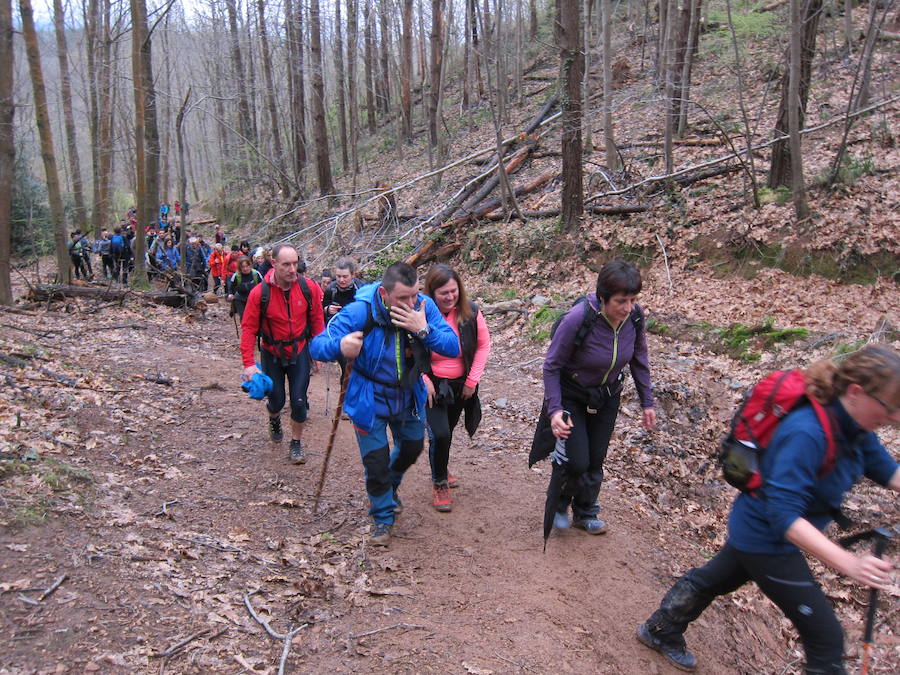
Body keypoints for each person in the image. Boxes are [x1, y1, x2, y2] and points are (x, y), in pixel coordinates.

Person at [636, 345, 900, 673]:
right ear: (857, 392)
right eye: (890, 408)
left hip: (759, 527)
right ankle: (661, 628)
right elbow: (784, 517)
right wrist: (848, 562)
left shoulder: (856, 429)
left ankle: (660, 629)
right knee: (827, 639)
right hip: (769, 540)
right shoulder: (808, 432)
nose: (895, 418)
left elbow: (889, 472)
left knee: (716, 578)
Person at [310, 262, 459, 546]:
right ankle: (383, 517)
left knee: (413, 446)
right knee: (376, 462)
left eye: (415, 295)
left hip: (407, 395)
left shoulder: (424, 308)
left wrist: (424, 329)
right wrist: (340, 347)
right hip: (368, 398)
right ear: (384, 293)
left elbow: (452, 347)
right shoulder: (360, 311)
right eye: (403, 298)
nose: (412, 303)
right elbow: (317, 344)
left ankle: (388, 487)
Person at [535, 259, 656, 535]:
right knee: (576, 461)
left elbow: (639, 359)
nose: (627, 308)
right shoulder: (578, 319)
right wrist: (554, 410)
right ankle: (560, 503)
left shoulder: (635, 318)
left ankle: (586, 512)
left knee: (595, 458)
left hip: (607, 395)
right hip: (571, 395)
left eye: (632, 300)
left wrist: (647, 402)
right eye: (620, 301)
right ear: (603, 298)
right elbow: (551, 365)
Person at [241, 244, 325, 465]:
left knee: (299, 401)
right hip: (272, 353)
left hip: (299, 352)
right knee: (276, 400)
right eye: (286, 264)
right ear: (274, 262)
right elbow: (249, 328)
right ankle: (274, 417)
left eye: (295, 263)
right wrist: (249, 364)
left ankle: (296, 443)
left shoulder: (309, 288)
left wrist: (319, 351)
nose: (292, 269)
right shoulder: (260, 293)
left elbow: (317, 320)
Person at [422, 264, 491, 512]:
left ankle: (441, 464)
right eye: (444, 293)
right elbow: (411, 349)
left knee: (447, 432)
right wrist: (423, 377)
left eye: (453, 291)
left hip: (461, 386)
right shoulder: (421, 313)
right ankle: (439, 483)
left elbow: (483, 346)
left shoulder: (470, 312)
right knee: (439, 433)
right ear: (432, 293)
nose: (450, 297)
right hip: (432, 385)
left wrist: (472, 381)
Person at [322, 258, 365, 324]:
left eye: (345, 277)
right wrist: (327, 310)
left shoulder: (361, 289)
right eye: (338, 276)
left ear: (352, 275)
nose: (341, 280)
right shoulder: (331, 289)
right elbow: (321, 310)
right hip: (336, 326)